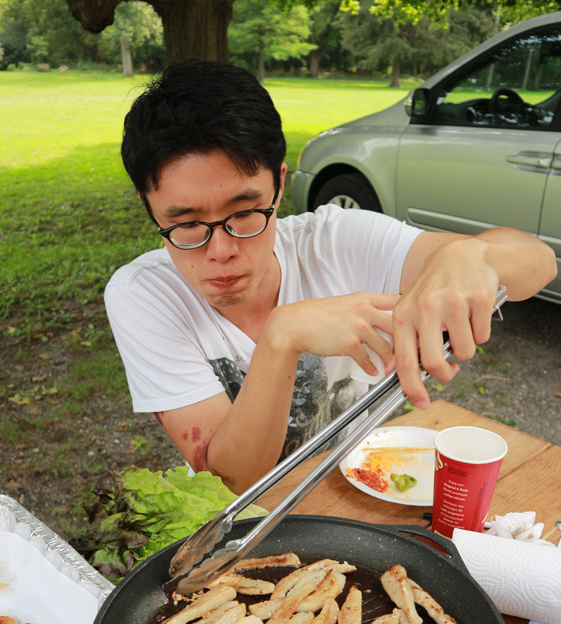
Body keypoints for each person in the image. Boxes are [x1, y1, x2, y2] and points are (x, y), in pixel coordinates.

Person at [105, 60, 556, 494]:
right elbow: (233, 482)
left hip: (360, 491)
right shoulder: (145, 296)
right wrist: (282, 336)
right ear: (149, 206)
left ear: (280, 184)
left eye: (244, 213)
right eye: (186, 224)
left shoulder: (338, 242)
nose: (221, 251)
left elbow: (539, 264)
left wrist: (469, 254)